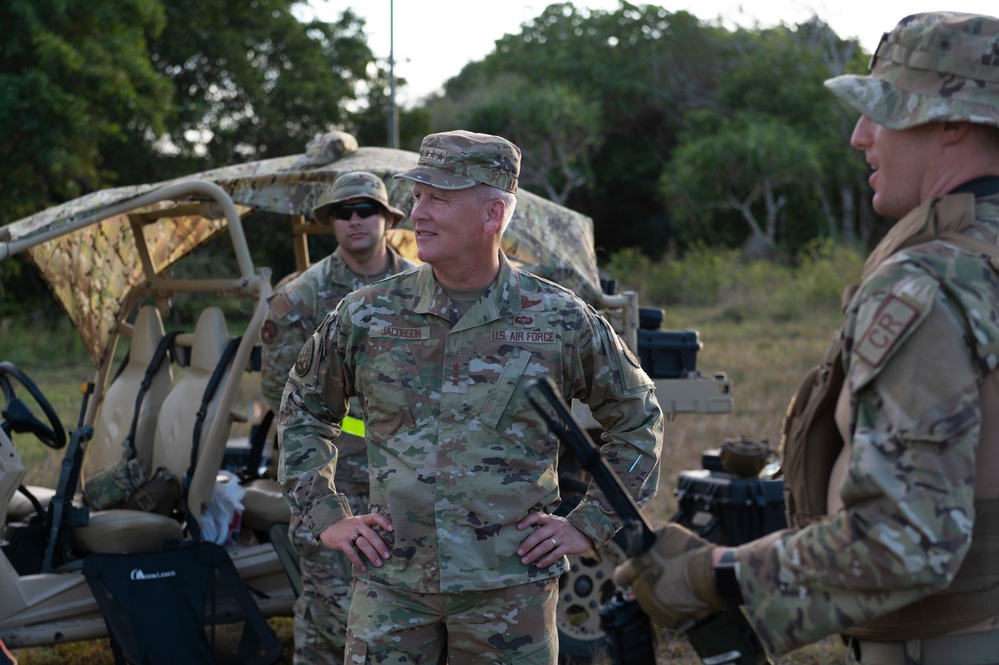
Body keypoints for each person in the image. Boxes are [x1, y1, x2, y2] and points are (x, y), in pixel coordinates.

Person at [613, 11, 999, 665]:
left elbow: (906, 539)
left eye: (879, 108)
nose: (859, 136)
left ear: (951, 121)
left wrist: (712, 572)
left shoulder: (928, 281)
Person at [277, 129, 664, 664]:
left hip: (509, 592)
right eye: (417, 197)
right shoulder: (366, 314)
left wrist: (588, 524)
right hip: (393, 587)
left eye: (440, 198)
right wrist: (324, 512)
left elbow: (638, 417)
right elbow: (302, 409)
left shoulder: (558, 318)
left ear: (493, 214)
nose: (419, 214)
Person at [260, 170, 417, 665]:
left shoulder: (423, 287)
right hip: (334, 476)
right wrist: (362, 425)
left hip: (412, 474)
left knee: (411, 607)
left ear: (388, 219)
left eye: (365, 210)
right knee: (331, 608)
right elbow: (282, 396)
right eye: (343, 213)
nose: (355, 220)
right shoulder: (302, 298)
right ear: (330, 223)